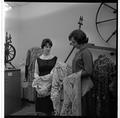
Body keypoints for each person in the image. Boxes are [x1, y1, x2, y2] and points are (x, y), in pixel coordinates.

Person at [68, 29, 95, 116]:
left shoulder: (86, 52)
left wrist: (74, 75)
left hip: (84, 87)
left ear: (79, 41)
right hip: (78, 84)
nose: (72, 44)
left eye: (73, 42)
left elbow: (89, 71)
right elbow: (78, 67)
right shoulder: (79, 52)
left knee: (83, 110)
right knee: (78, 109)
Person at [32, 38, 57, 116]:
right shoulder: (38, 60)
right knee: (41, 109)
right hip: (41, 85)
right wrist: (39, 80)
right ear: (42, 47)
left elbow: (54, 73)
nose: (48, 48)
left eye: (50, 47)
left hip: (51, 84)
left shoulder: (55, 59)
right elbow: (36, 73)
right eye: (46, 46)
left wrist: (47, 82)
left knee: (50, 108)